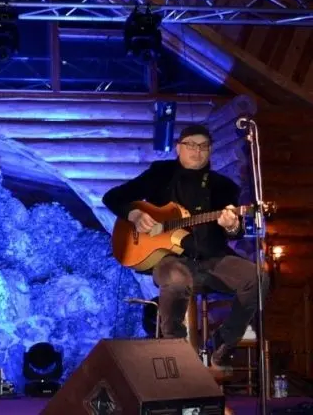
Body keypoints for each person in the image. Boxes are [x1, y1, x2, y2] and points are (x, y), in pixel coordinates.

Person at [102, 124, 268, 373]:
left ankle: (224, 342)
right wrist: (134, 214)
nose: (197, 151)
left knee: (257, 278)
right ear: (178, 148)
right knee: (176, 278)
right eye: (191, 145)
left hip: (212, 258)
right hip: (169, 260)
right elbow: (112, 197)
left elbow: (235, 231)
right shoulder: (160, 173)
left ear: (210, 150)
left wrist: (232, 226)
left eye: (203, 146)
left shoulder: (223, 187)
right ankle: (177, 351)